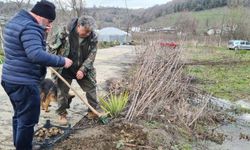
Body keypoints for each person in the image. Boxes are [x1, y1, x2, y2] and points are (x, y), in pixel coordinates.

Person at [1, 1, 73, 150]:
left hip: (10, 78)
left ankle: (19, 144)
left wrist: (43, 33)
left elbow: (26, 48)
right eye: (49, 21)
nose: (49, 24)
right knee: (28, 121)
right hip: (24, 82)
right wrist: (62, 61)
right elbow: (36, 54)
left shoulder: (16, 21)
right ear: (41, 16)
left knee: (19, 116)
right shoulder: (31, 27)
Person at [49, 15, 99, 125]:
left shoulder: (93, 37)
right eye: (85, 31)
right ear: (78, 26)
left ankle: (93, 111)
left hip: (82, 67)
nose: (88, 34)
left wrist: (83, 69)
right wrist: (56, 62)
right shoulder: (64, 32)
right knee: (62, 91)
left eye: (89, 32)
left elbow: (92, 55)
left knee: (91, 88)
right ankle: (62, 113)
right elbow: (51, 49)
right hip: (64, 67)